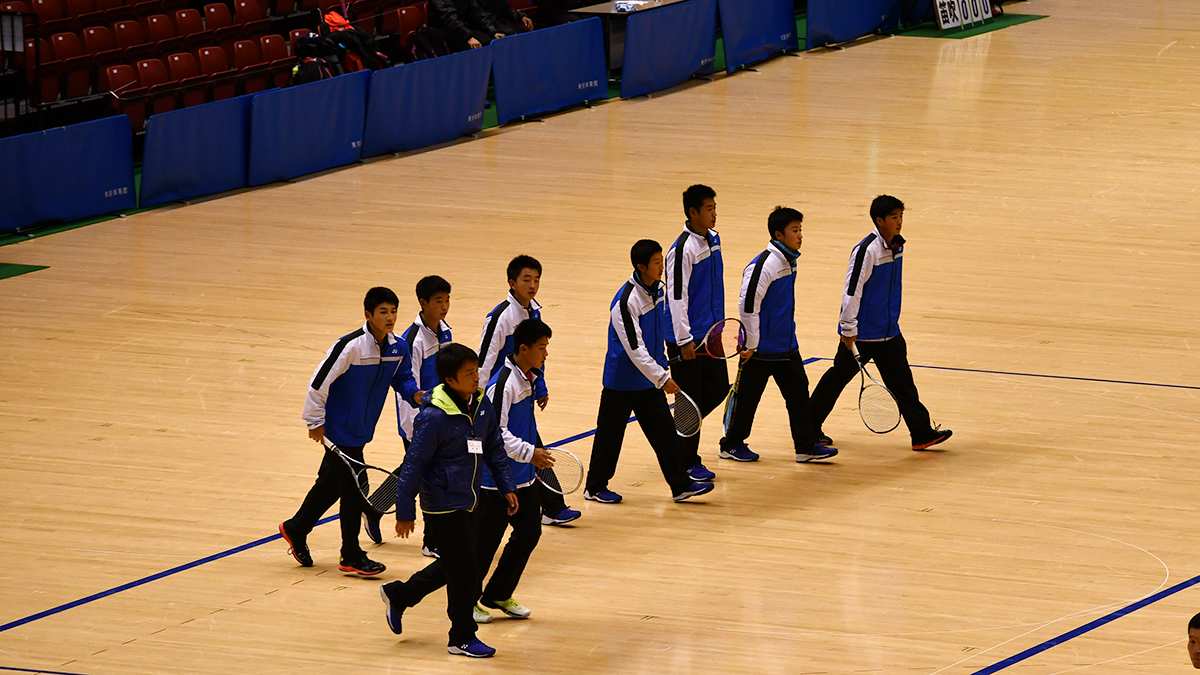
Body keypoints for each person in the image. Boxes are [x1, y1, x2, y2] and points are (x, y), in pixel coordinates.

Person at [380, 344, 517, 659]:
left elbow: (494, 445)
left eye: (476, 371)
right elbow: (413, 465)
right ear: (449, 380)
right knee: (467, 569)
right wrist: (404, 511)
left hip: (470, 498)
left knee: (458, 564)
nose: (476, 378)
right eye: (468, 374)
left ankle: (400, 594)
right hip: (441, 503)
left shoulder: (480, 404)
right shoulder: (433, 417)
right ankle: (462, 636)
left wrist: (506, 485)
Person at [279, 287, 422, 576]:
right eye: (383, 312)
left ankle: (296, 527)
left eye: (393, 311)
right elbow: (319, 382)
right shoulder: (351, 346)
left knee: (330, 484)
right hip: (338, 431)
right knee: (356, 489)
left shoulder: (399, 348)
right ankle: (351, 554)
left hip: (360, 430)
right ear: (368, 315)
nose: (390, 317)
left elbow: (403, 378)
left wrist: (416, 395)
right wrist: (314, 422)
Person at [808, 195, 953, 451]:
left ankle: (921, 433)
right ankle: (807, 429)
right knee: (836, 380)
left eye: (901, 216)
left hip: (889, 334)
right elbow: (852, 290)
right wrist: (848, 327)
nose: (899, 221)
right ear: (879, 220)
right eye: (894, 217)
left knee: (903, 384)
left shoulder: (897, 246)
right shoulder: (867, 250)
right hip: (862, 335)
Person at [584, 239, 715, 504]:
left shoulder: (658, 291)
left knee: (665, 434)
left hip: (647, 382)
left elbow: (654, 336)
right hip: (621, 383)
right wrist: (662, 377)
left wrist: (662, 366)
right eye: (657, 262)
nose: (662, 267)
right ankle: (595, 487)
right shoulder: (625, 303)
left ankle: (680, 486)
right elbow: (635, 348)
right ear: (641, 267)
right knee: (610, 437)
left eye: (662, 260)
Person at [720, 208, 836, 463]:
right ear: (778, 234)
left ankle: (805, 445)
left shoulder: (789, 261)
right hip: (760, 350)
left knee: (798, 395)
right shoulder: (764, 266)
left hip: (786, 346)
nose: (800, 236)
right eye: (795, 231)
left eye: (800, 230)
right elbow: (747, 305)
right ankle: (731, 444)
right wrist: (751, 344)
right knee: (749, 400)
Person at [480, 255, 581, 526]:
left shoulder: (533, 310)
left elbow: (537, 353)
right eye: (527, 279)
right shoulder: (500, 318)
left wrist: (540, 385)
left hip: (520, 393)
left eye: (537, 279)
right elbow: (484, 361)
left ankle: (552, 506)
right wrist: (476, 400)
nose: (533, 285)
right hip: (497, 396)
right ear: (512, 283)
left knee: (533, 447)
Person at [473, 319, 555, 624]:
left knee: (529, 532)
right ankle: (467, 601)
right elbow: (494, 433)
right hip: (496, 480)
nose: (546, 354)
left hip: (523, 477)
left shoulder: (529, 376)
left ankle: (497, 593)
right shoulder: (504, 383)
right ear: (523, 349)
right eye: (542, 348)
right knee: (485, 544)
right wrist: (530, 452)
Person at [363, 276, 453, 554]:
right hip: (418, 421)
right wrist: (414, 428)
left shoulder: (446, 332)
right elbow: (406, 385)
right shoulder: (411, 341)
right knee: (430, 477)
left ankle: (374, 506)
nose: (444, 306)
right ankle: (432, 542)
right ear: (423, 303)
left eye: (447, 300)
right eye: (438, 301)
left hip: (442, 418)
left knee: (418, 471)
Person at [664, 184, 725, 482]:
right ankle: (687, 461)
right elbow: (676, 297)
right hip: (688, 337)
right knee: (691, 401)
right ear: (693, 212)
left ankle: (676, 434)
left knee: (717, 388)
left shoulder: (714, 240)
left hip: (711, 332)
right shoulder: (681, 250)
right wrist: (684, 339)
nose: (714, 213)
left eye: (715, 207)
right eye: (709, 208)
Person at [429, 0, 506, 52]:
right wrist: (468, 37)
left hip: (462, 29)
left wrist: (492, 31)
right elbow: (450, 18)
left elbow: (477, 12)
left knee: (491, 42)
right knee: (478, 47)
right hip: (444, 33)